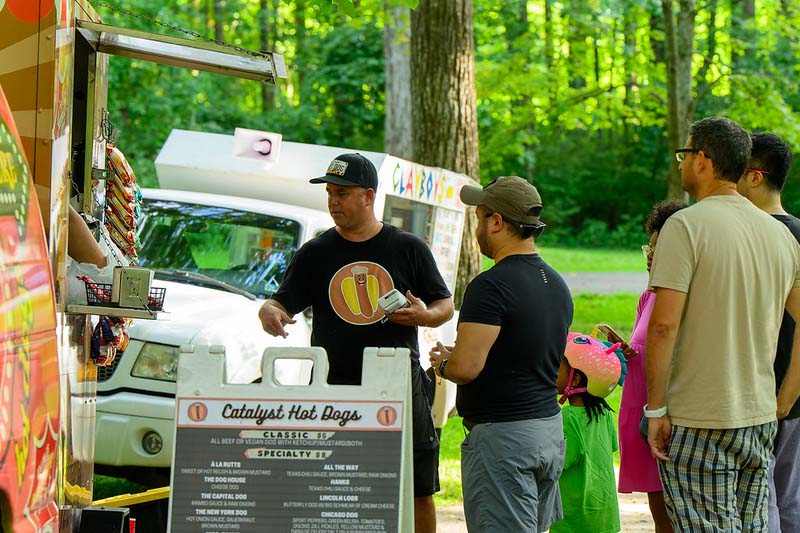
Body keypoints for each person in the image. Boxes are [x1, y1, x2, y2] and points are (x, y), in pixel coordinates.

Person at [257, 152, 454, 533]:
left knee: (417, 486)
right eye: (330, 193)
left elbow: (443, 304)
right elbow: (280, 301)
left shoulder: (408, 247)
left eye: (342, 194)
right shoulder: (316, 252)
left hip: (399, 385)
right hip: (336, 386)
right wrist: (269, 310)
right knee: (334, 484)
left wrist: (425, 316)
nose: (333, 201)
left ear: (368, 196)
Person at [645, 117, 800, 531]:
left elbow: (662, 327)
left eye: (686, 154)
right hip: (759, 418)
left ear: (704, 161)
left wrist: (656, 408)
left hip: (700, 419)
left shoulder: (685, 225)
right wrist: (784, 397)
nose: (681, 163)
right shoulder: (780, 234)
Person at [428, 176, 573, 532]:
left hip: (504, 439)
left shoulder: (490, 286)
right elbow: (527, 353)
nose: (476, 227)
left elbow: (465, 367)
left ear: (496, 222)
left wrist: (443, 362)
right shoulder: (556, 283)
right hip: (547, 430)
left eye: (479, 217)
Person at [737, 132, 800, 533]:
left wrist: (784, 395)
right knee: (789, 497)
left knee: (763, 503)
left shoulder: (757, 237)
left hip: (767, 393)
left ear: (756, 177)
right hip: (789, 395)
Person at [617, 200, 686, 533]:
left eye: (659, 249)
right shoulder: (647, 298)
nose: (650, 255)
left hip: (667, 418)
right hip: (641, 414)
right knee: (660, 513)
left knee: (678, 514)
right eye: (650, 246)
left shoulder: (684, 300)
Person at [550, 333, 623, 533]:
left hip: (574, 519)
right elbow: (612, 447)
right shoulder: (604, 414)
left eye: (558, 367)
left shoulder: (568, 417)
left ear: (576, 379)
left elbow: (558, 463)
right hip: (605, 516)